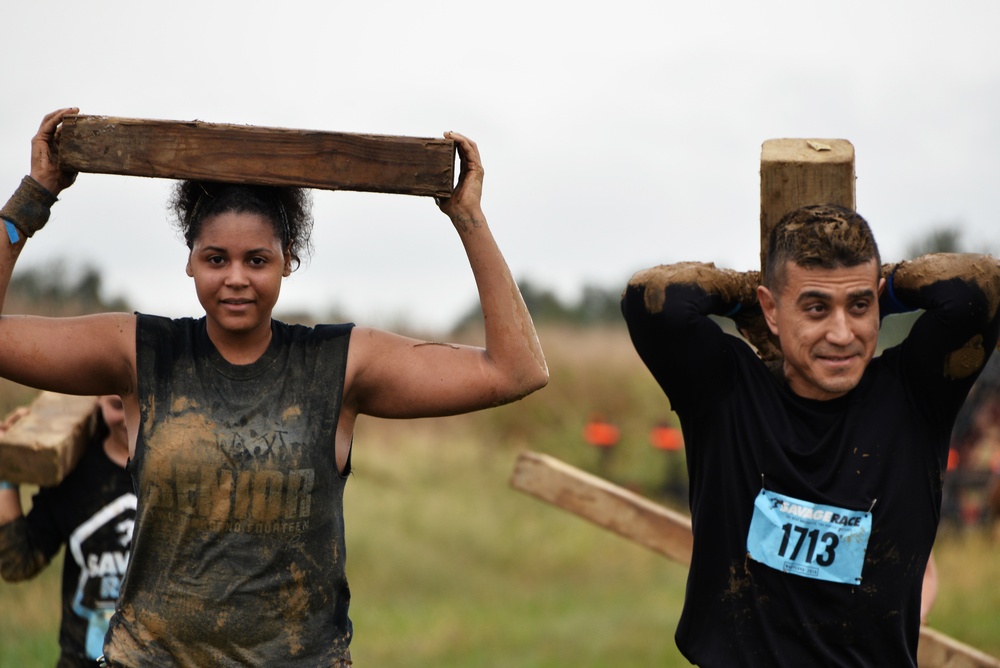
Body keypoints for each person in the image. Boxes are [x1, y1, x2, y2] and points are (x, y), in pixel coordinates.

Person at [0, 108, 548, 666]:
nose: (236, 277)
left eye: (256, 260)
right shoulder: (142, 354)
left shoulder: (339, 364)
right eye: (216, 258)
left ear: (289, 261)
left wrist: (467, 216)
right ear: (190, 262)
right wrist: (33, 197)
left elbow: (517, 370)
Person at [621, 203, 1000, 666]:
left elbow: (979, 285)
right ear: (772, 310)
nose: (842, 334)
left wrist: (888, 290)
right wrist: (747, 293)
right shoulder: (726, 394)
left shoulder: (916, 396)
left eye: (859, 305)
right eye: (816, 307)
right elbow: (656, 299)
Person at [0, 396, 134, 668]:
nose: (129, 417)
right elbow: (17, 563)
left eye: (142, 403)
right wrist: (7, 467)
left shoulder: (182, 478)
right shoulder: (75, 475)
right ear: (98, 401)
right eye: (116, 406)